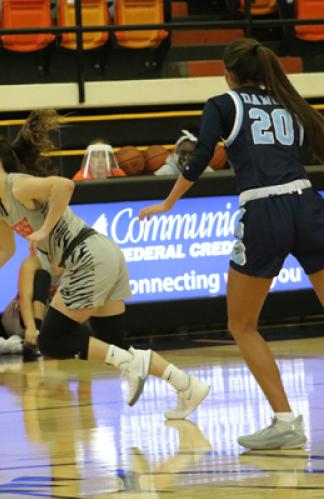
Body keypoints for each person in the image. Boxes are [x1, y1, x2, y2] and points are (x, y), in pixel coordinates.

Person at [0, 109, 210, 417]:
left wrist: (44, 229)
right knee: (113, 347)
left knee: (52, 340)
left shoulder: (19, 185)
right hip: (101, 254)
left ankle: (139, 367)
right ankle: (187, 385)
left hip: (87, 257)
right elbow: (4, 250)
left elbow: (64, 186)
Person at [139, 38, 324, 449]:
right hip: (308, 203)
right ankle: (283, 421)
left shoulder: (223, 104)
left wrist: (168, 202)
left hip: (264, 210)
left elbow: (201, 155)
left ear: (228, 72)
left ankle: (285, 420)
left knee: (241, 325)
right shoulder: (289, 104)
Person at [0, 252, 61, 354]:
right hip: (21, 317)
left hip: (50, 320)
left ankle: (18, 344)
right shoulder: (33, 262)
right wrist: (31, 328)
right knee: (42, 276)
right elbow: (24, 297)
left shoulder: (79, 263)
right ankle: (36, 334)